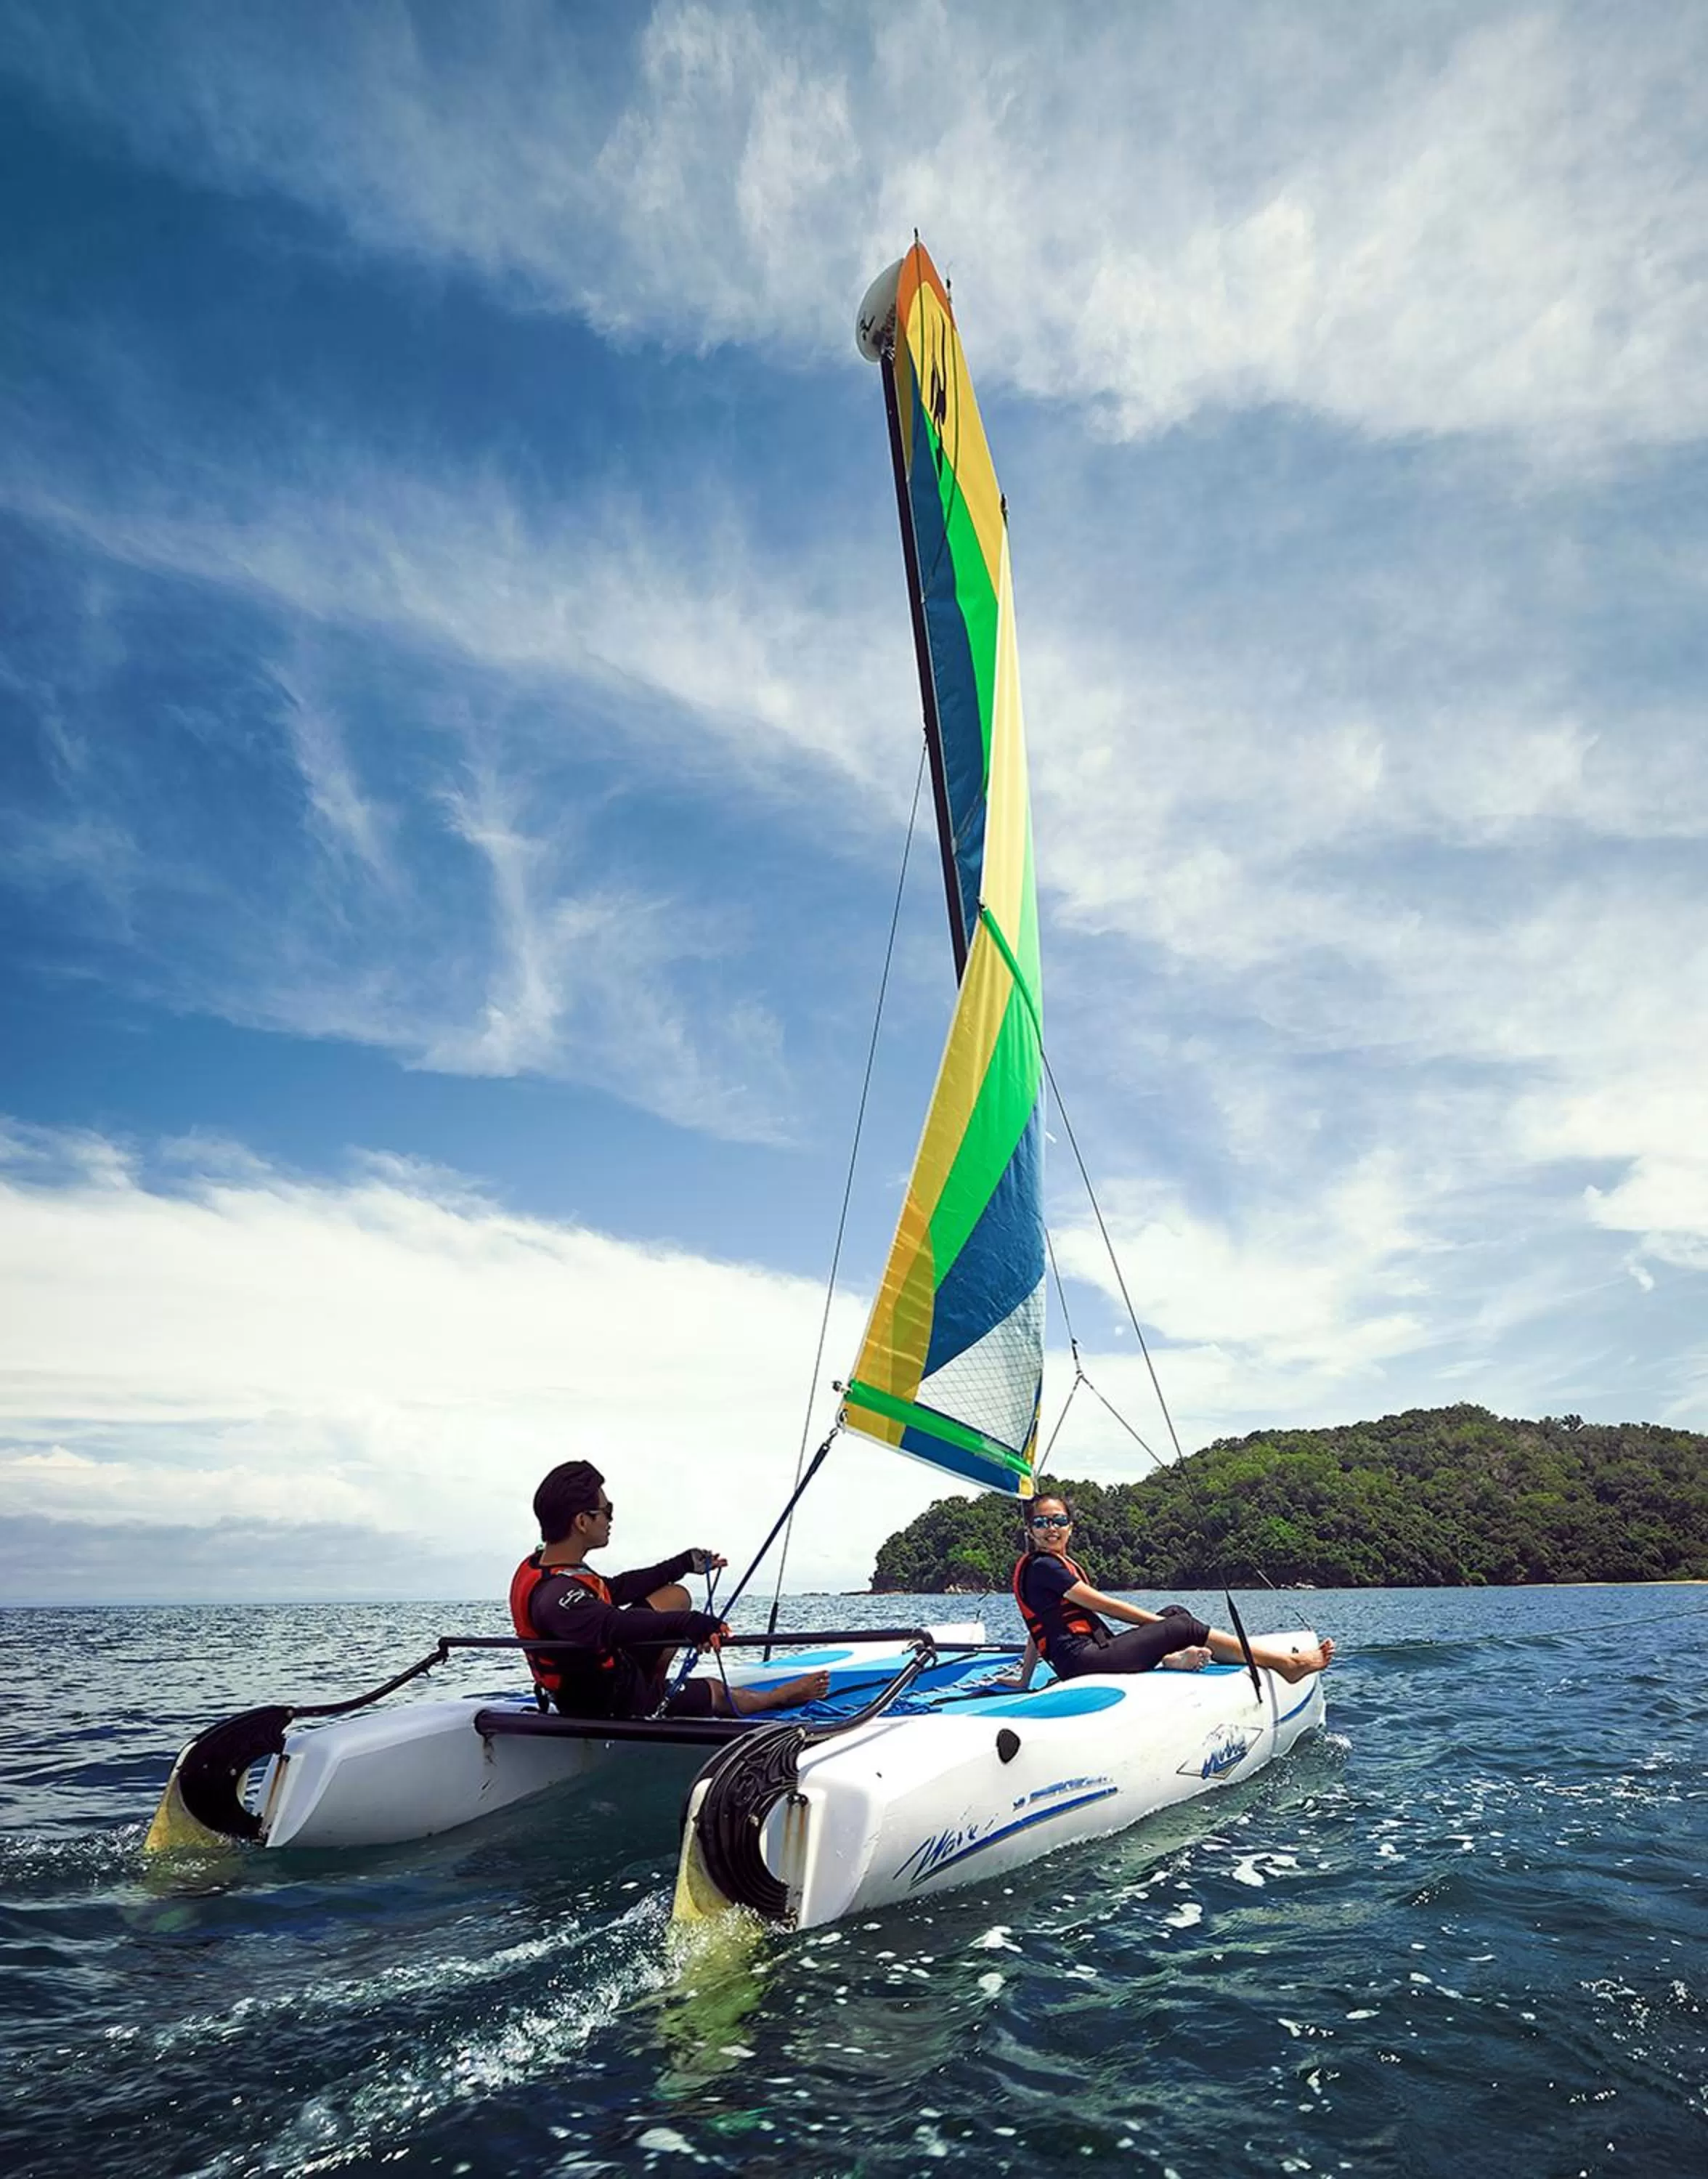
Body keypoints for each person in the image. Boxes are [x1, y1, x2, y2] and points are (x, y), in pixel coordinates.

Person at [510, 1460, 829, 1720]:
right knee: (716, 1692)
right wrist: (689, 1623)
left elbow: (616, 1589)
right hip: (605, 1702)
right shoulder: (556, 1598)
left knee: (675, 1595)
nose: (610, 1519)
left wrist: (683, 1564)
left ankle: (654, 1689)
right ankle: (778, 1697)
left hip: (611, 1675)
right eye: (606, 1511)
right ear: (582, 1521)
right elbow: (612, 1625)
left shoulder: (547, 1566)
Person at [1006, 1495, 1334, 1687]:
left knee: (1175, 1613)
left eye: (1058, 1520)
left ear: (1070, 1526)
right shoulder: (1043, 1567)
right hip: (1083, 1662)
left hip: (1094, 1652)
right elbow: (1108, 1607)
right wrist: (1158, 1628)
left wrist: (1024, 1678)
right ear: (1030, 1530)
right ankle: (1284, 1665)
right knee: (1179, 1626)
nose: (1051, 1529)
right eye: (1041, 1523)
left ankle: (1170, 1659)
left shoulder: (1057, 1564)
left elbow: (1039, 1629)